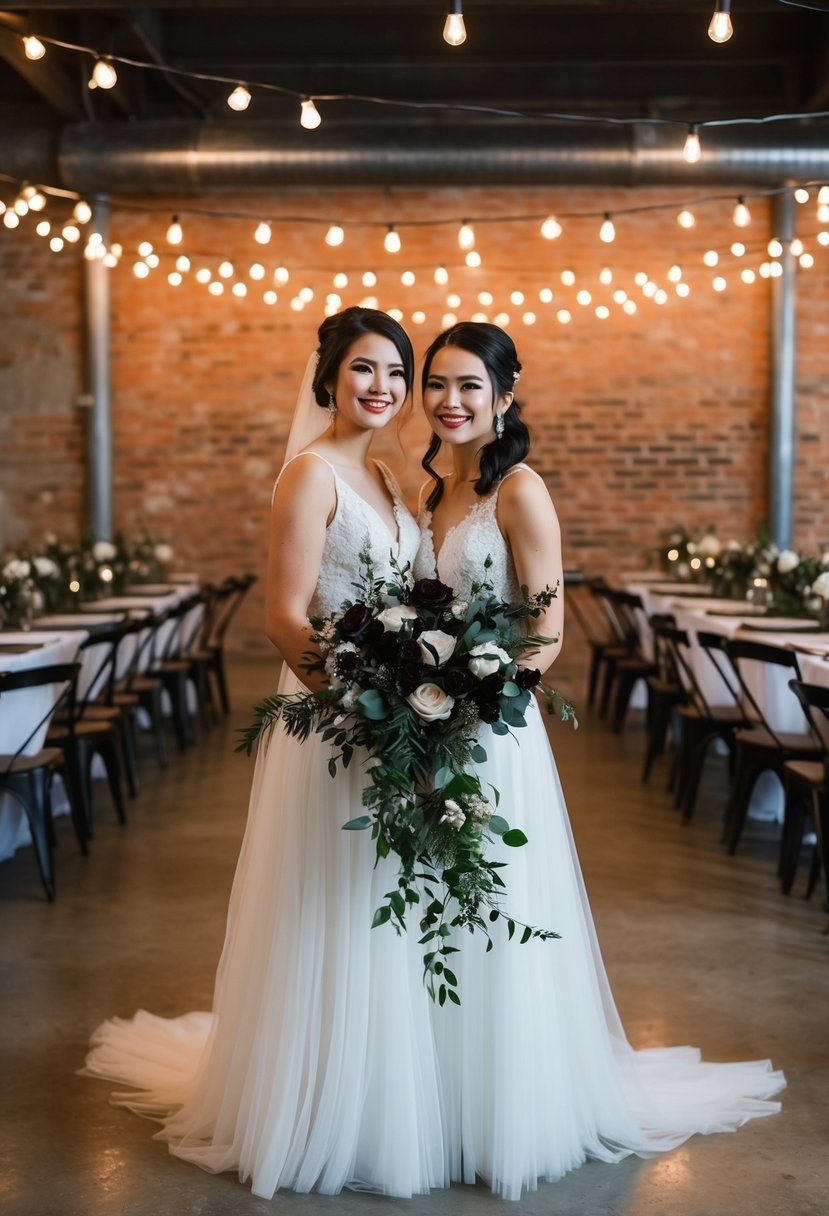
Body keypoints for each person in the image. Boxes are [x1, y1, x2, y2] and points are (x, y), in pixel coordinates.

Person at [412, 320, 785, 1199]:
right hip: (419, 722)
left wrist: (478, 693)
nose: (449, 401)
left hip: (489, 728)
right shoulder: (429, 491)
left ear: (504, 395)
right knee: (430, 900)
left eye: (469, 386)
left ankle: (504, 1106)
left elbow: (547, 630)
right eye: (437, 384)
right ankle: (429, 1090)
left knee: (491, 901)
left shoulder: (519, 491)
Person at [82, 308, 448, 1198]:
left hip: (390, 715)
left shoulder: (394, 483)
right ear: (328, 378)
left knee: (377, 898)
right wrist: (361, 713)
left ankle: (379, 1088)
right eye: (365, 369)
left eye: (397, 373)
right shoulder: (309, 474)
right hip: (335, 720)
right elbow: (285, 615)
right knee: (326, 898)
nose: (383, 388)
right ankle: (313, 1098)